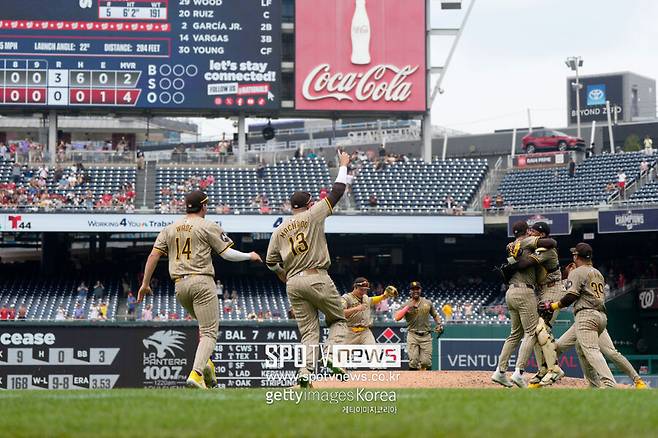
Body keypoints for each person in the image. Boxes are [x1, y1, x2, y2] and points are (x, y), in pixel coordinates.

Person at [138, 190, 261, 389]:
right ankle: (196, 374)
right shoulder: (208, 225)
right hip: (201, 282)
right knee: (209, 333)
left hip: (179, 286)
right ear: (204, 206)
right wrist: (249, 255)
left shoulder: (170, 228)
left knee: (203, 329)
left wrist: (145, 284)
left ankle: (207, 366)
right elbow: (227, 254)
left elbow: (153, 256)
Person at [265, 152, 351, 388]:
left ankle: (305, 373)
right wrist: (343, 165)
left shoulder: (279, 230)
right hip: (316, 276)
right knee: (338, 321)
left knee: (309, 333)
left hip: (293, 282)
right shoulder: (313, 215)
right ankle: (332, 357)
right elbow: (337, 191)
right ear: (309, 204)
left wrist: (283, 275)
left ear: (292, 207)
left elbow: (271, 261)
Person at [540, 243, 616, 388]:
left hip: (586, 315)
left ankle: (609, 383)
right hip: (598, 315)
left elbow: (571, 296)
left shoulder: (578, 271)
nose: (573, 256)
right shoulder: (596, 272)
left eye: (574, 254)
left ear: (576, 256)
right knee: (566, 347)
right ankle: (593, 384)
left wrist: (553, 306)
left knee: (591, 350)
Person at [491, 221, 557, 388]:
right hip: (524, 291)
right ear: (526, 231)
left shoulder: (510, 245)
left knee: (515, 334)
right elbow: (551, 243)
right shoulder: (526, 241)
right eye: (529, 230)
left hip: (510, 292)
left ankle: (500, 371)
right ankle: (519, 373)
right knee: (532, 333)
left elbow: (512, 261)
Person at [506, 222, 565, 387]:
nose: (530, 233)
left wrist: (513, 259)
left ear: (541, 234)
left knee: (541, 330)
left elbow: (525, 264)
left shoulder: (547, 250)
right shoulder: (535, 247)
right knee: (537, 331)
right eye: (529, 230)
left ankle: (554, 370)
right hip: (542, 291)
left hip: (552, 290)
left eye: (533, 231)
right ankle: (543, 369)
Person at [556, 318, 648, 389]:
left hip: (593, 320)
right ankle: (548, 372)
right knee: (560, 345)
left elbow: (569, 298)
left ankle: (637, 380)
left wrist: (555, 305)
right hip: (579, 322)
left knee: (611, 353)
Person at [394, 281, 443, 370]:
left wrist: (439, 324)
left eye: (417, 289)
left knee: (426, 362)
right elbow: (397, 317)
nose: (415, 291)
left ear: (420, 290)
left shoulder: (427, 302)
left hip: (426, 336)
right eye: (413, 289)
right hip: (413, 335)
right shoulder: (406, 304)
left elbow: (435, 315)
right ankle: (413, 381)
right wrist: (407, 308)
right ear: (410, 291)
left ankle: (426, 381)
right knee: (413, 361)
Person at [341, 277, 397, 345]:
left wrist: (384, 296)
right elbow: (341, 313)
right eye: (361, 289)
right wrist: (356, 309)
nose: (363, 292)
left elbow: (372, 300)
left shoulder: (365, 297)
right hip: (350, 331)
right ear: (355, 287)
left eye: (365, 290)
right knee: (343, 353)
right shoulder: (346, 298)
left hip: (365, 331)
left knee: (372, 351)